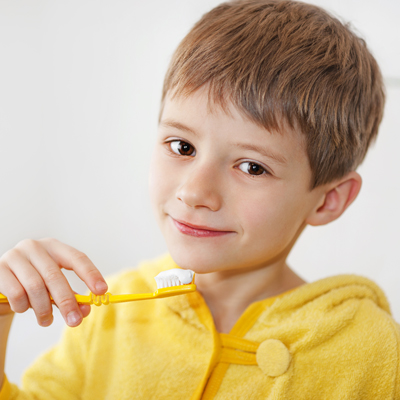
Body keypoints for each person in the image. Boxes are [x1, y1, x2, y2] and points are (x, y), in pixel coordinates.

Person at [1, 0, 399, 399]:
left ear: (328, 200)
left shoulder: (375, 353)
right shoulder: (110, 314)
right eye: (182, 146)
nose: (194, 192)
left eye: (252, 168)